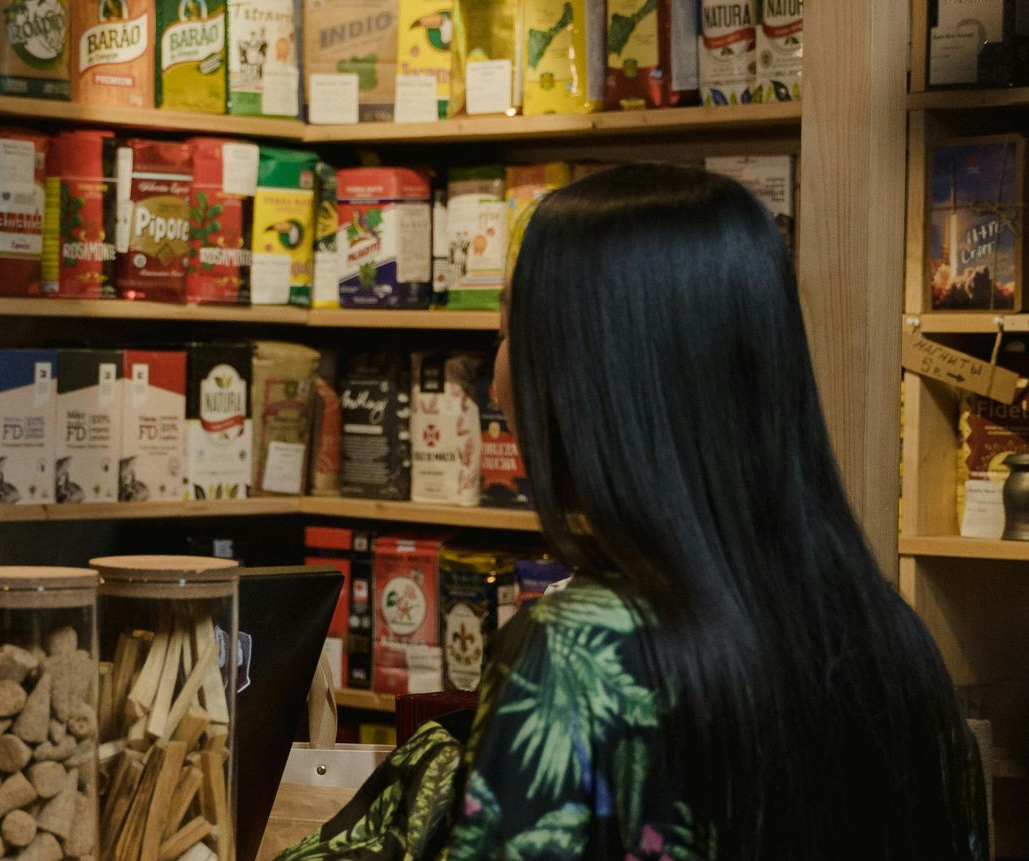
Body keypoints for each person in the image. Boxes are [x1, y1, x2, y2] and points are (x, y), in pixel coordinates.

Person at [275, 164, 988, 861]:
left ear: (592, 380)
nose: (495, 380)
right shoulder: (896, 641)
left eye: (506, 332)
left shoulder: (577, 652)